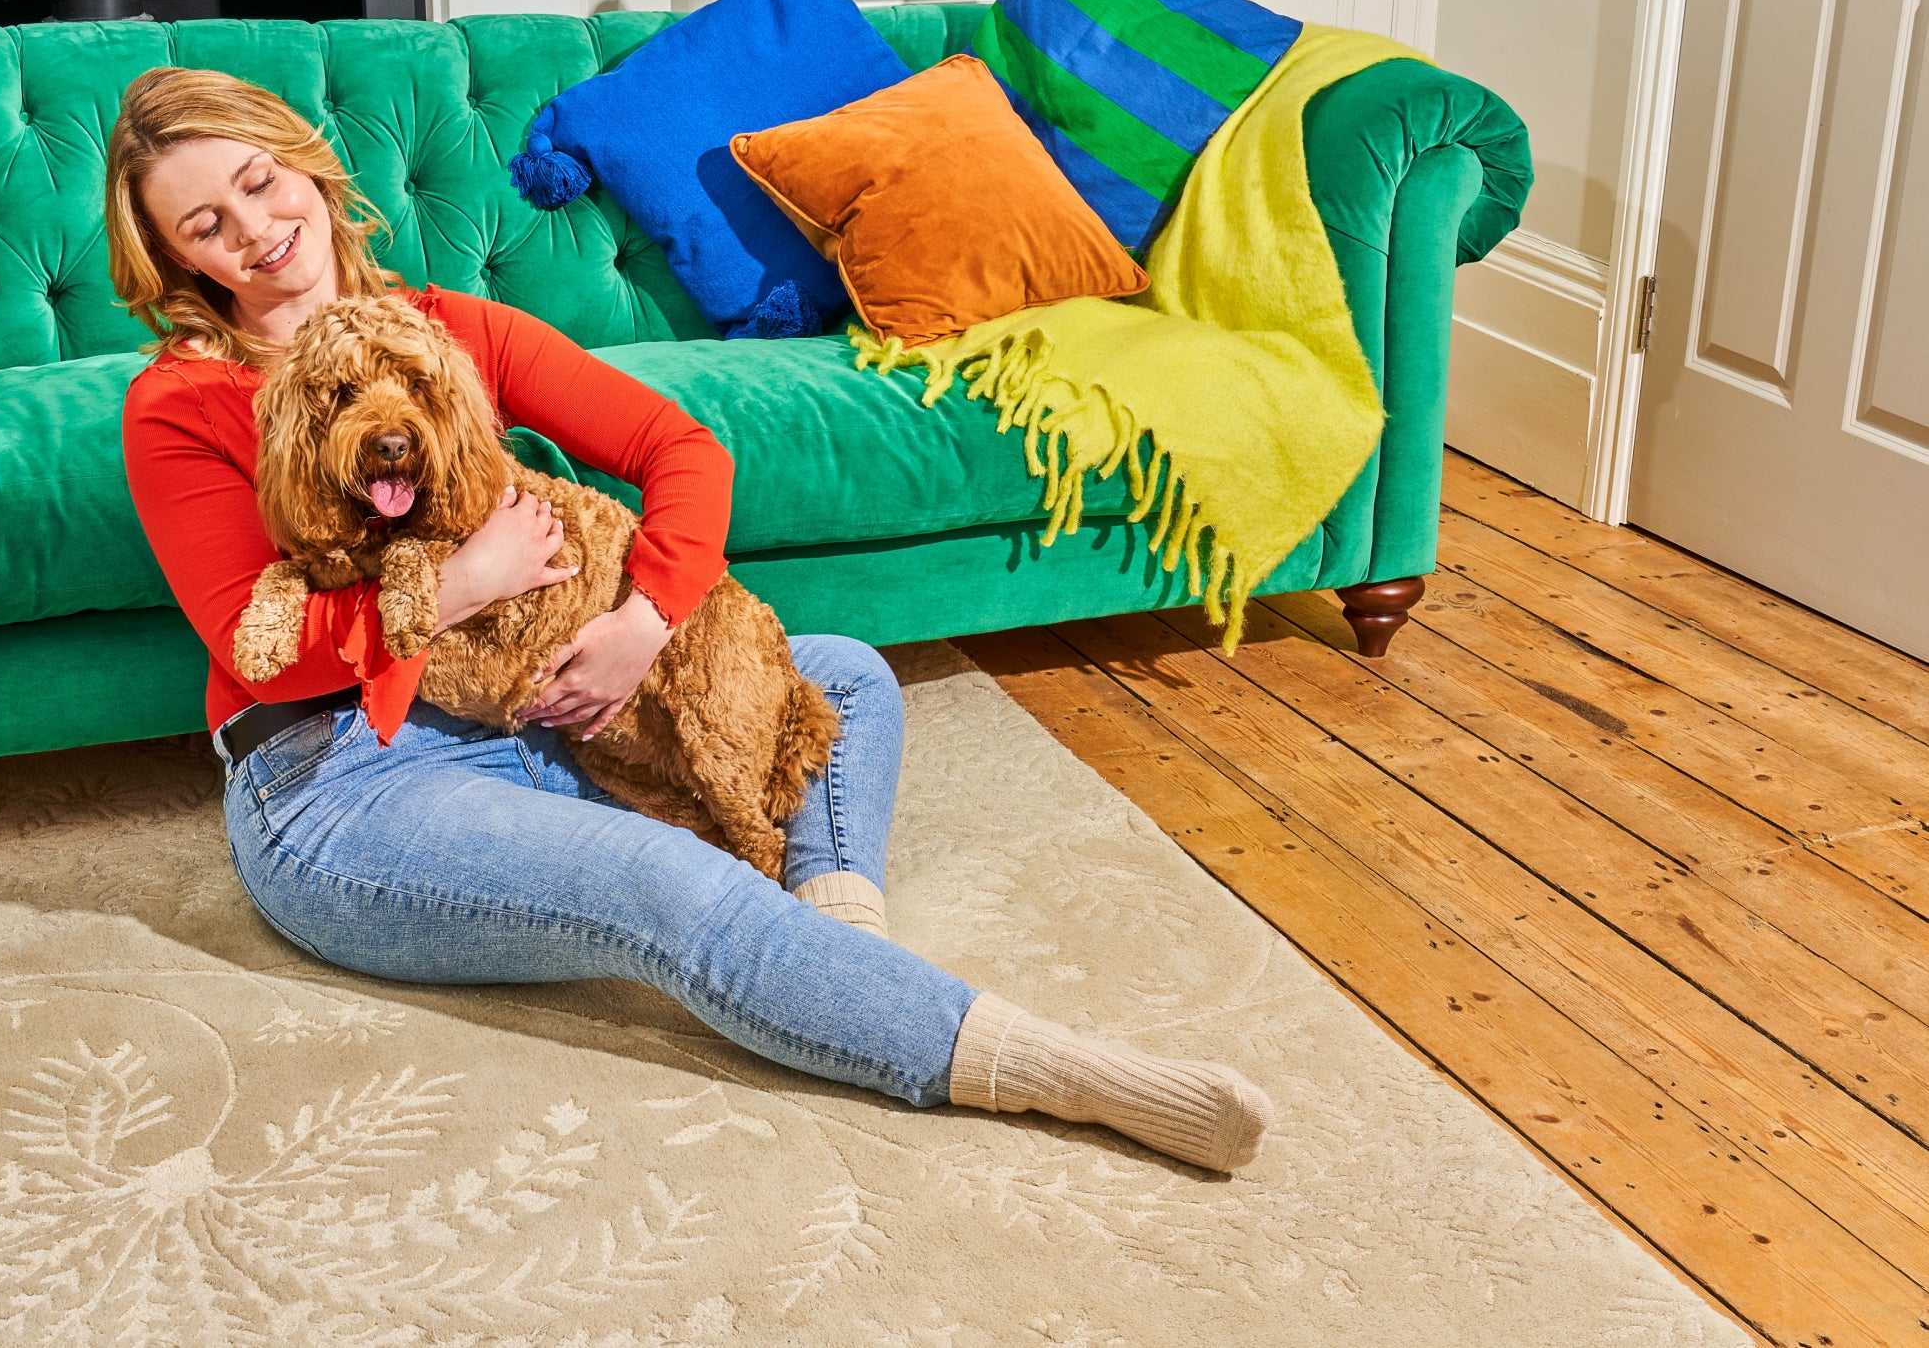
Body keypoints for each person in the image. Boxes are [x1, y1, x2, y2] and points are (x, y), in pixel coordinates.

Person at [112, 66, 1273, 1173]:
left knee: (846, 680)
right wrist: (465, 579)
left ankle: (840, 949)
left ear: (307, 169)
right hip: (343, 777)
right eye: (205, 224)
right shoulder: (179, 404)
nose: (254, 229)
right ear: (175, 263)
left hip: (531, 710)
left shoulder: (449, 329)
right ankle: (1062, 1071)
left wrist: (644, 625)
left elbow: (682, 450)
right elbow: (260, 659)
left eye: (259, 181)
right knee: (668, 885)